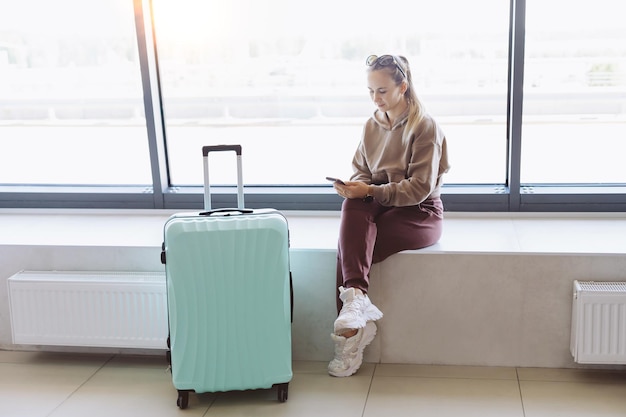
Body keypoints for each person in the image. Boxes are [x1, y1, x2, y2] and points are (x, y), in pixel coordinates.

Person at [327, 54, 450, 377]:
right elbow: (363, 172)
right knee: (352, 207)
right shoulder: (371, 125)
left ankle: (351, 338)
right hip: (381, 204)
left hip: (420, 213)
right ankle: (355, 303)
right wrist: (357, 188)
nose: (375, 98)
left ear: (403, 87)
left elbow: (419, 189)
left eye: (381, 91)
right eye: (370, 91)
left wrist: (370, 192)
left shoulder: (425, 127)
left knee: (348, 252)